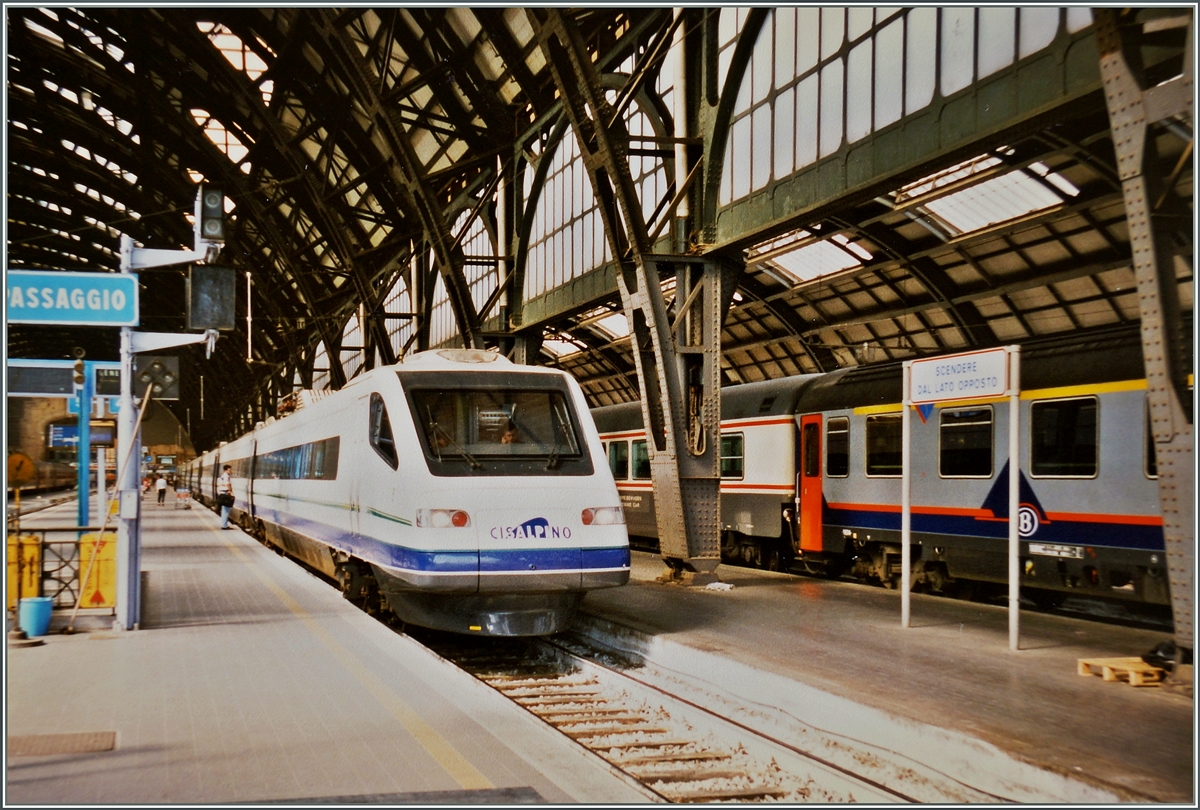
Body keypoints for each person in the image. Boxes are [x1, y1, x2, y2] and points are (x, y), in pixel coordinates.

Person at [217, 464, 234, 529]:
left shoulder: (223, 476)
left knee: (224, 510)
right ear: (226, 470)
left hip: (223, 493)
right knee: (226, 510)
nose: (231, 471)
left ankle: (224, 524)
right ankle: (224, 525)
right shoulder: (226, 476)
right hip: (225, 494)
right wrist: (230, 491)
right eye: (229, 470)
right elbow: (228, 484)